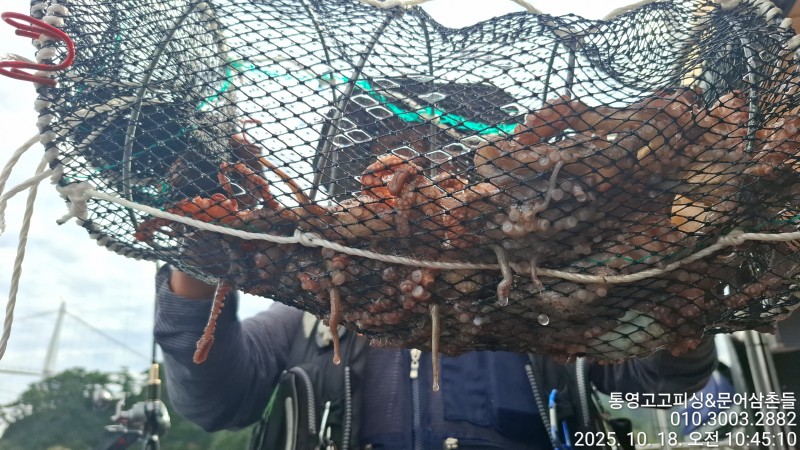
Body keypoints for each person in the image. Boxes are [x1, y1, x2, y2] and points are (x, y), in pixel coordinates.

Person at [154, 265, 717, 450]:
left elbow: (658, 386)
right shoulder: (304, 319)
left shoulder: (545, 307)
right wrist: (196, 263)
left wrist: (679, 298)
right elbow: (214, 401)